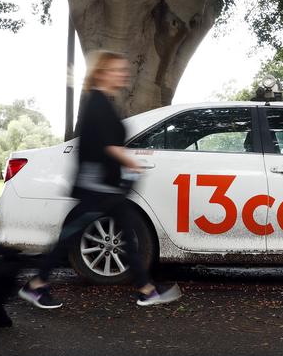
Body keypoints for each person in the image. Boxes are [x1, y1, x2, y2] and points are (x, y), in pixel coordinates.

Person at [18, 50, 182, 309]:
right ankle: (36, 284)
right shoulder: (96, 102)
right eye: (118, 70)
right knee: (71, 236)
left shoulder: (103, 101)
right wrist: (132, 163)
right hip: (97, 187)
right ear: (103, 73)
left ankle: (146, 289)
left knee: (124, 235)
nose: (123, 74)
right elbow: (108, 145)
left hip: (107, 185)